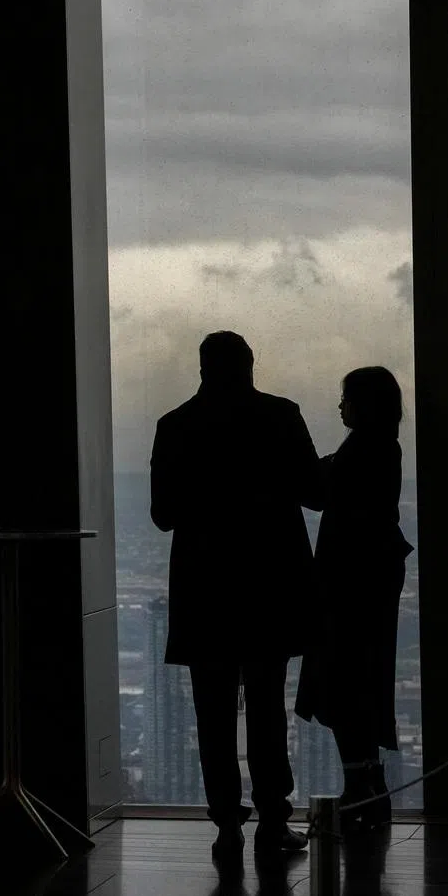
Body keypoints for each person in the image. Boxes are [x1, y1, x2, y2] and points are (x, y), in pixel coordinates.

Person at [150, 331, 322, 859]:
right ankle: (274, 817)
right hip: (270, 585)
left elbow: (163, 516)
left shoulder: (175, 425)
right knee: (267, 706)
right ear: (250, 365)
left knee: (213, 711)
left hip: (206, 589)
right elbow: (316, 493)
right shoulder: (281, 416)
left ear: (202, 369)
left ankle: (227, 822)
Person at [295, 366, 413, 831]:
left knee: (344, 683)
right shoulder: (381, 448)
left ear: (364, 403)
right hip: (368, 581)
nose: (339, 406)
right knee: (359, 682)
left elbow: (318, 491)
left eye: (346, 398)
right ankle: (365, 787)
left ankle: (361, 789)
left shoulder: (364, 450)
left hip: (351, 586)